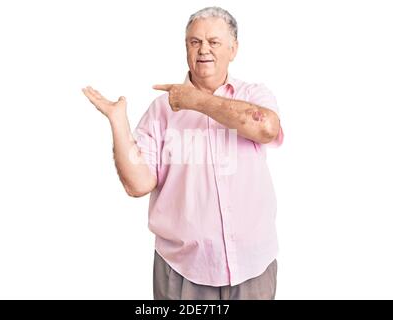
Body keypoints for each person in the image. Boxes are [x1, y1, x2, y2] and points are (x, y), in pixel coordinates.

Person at [82, 6, 284, 300]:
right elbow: (137, 184)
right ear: (186, 47)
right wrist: (118, 122)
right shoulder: (160, 111)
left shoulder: (254, 95)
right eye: (194, 42)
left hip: (253, 266)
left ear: (233, 48)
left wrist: (196, 101)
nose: (203, 50)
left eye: (213, 42)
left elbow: (265, 128)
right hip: (182, 271)